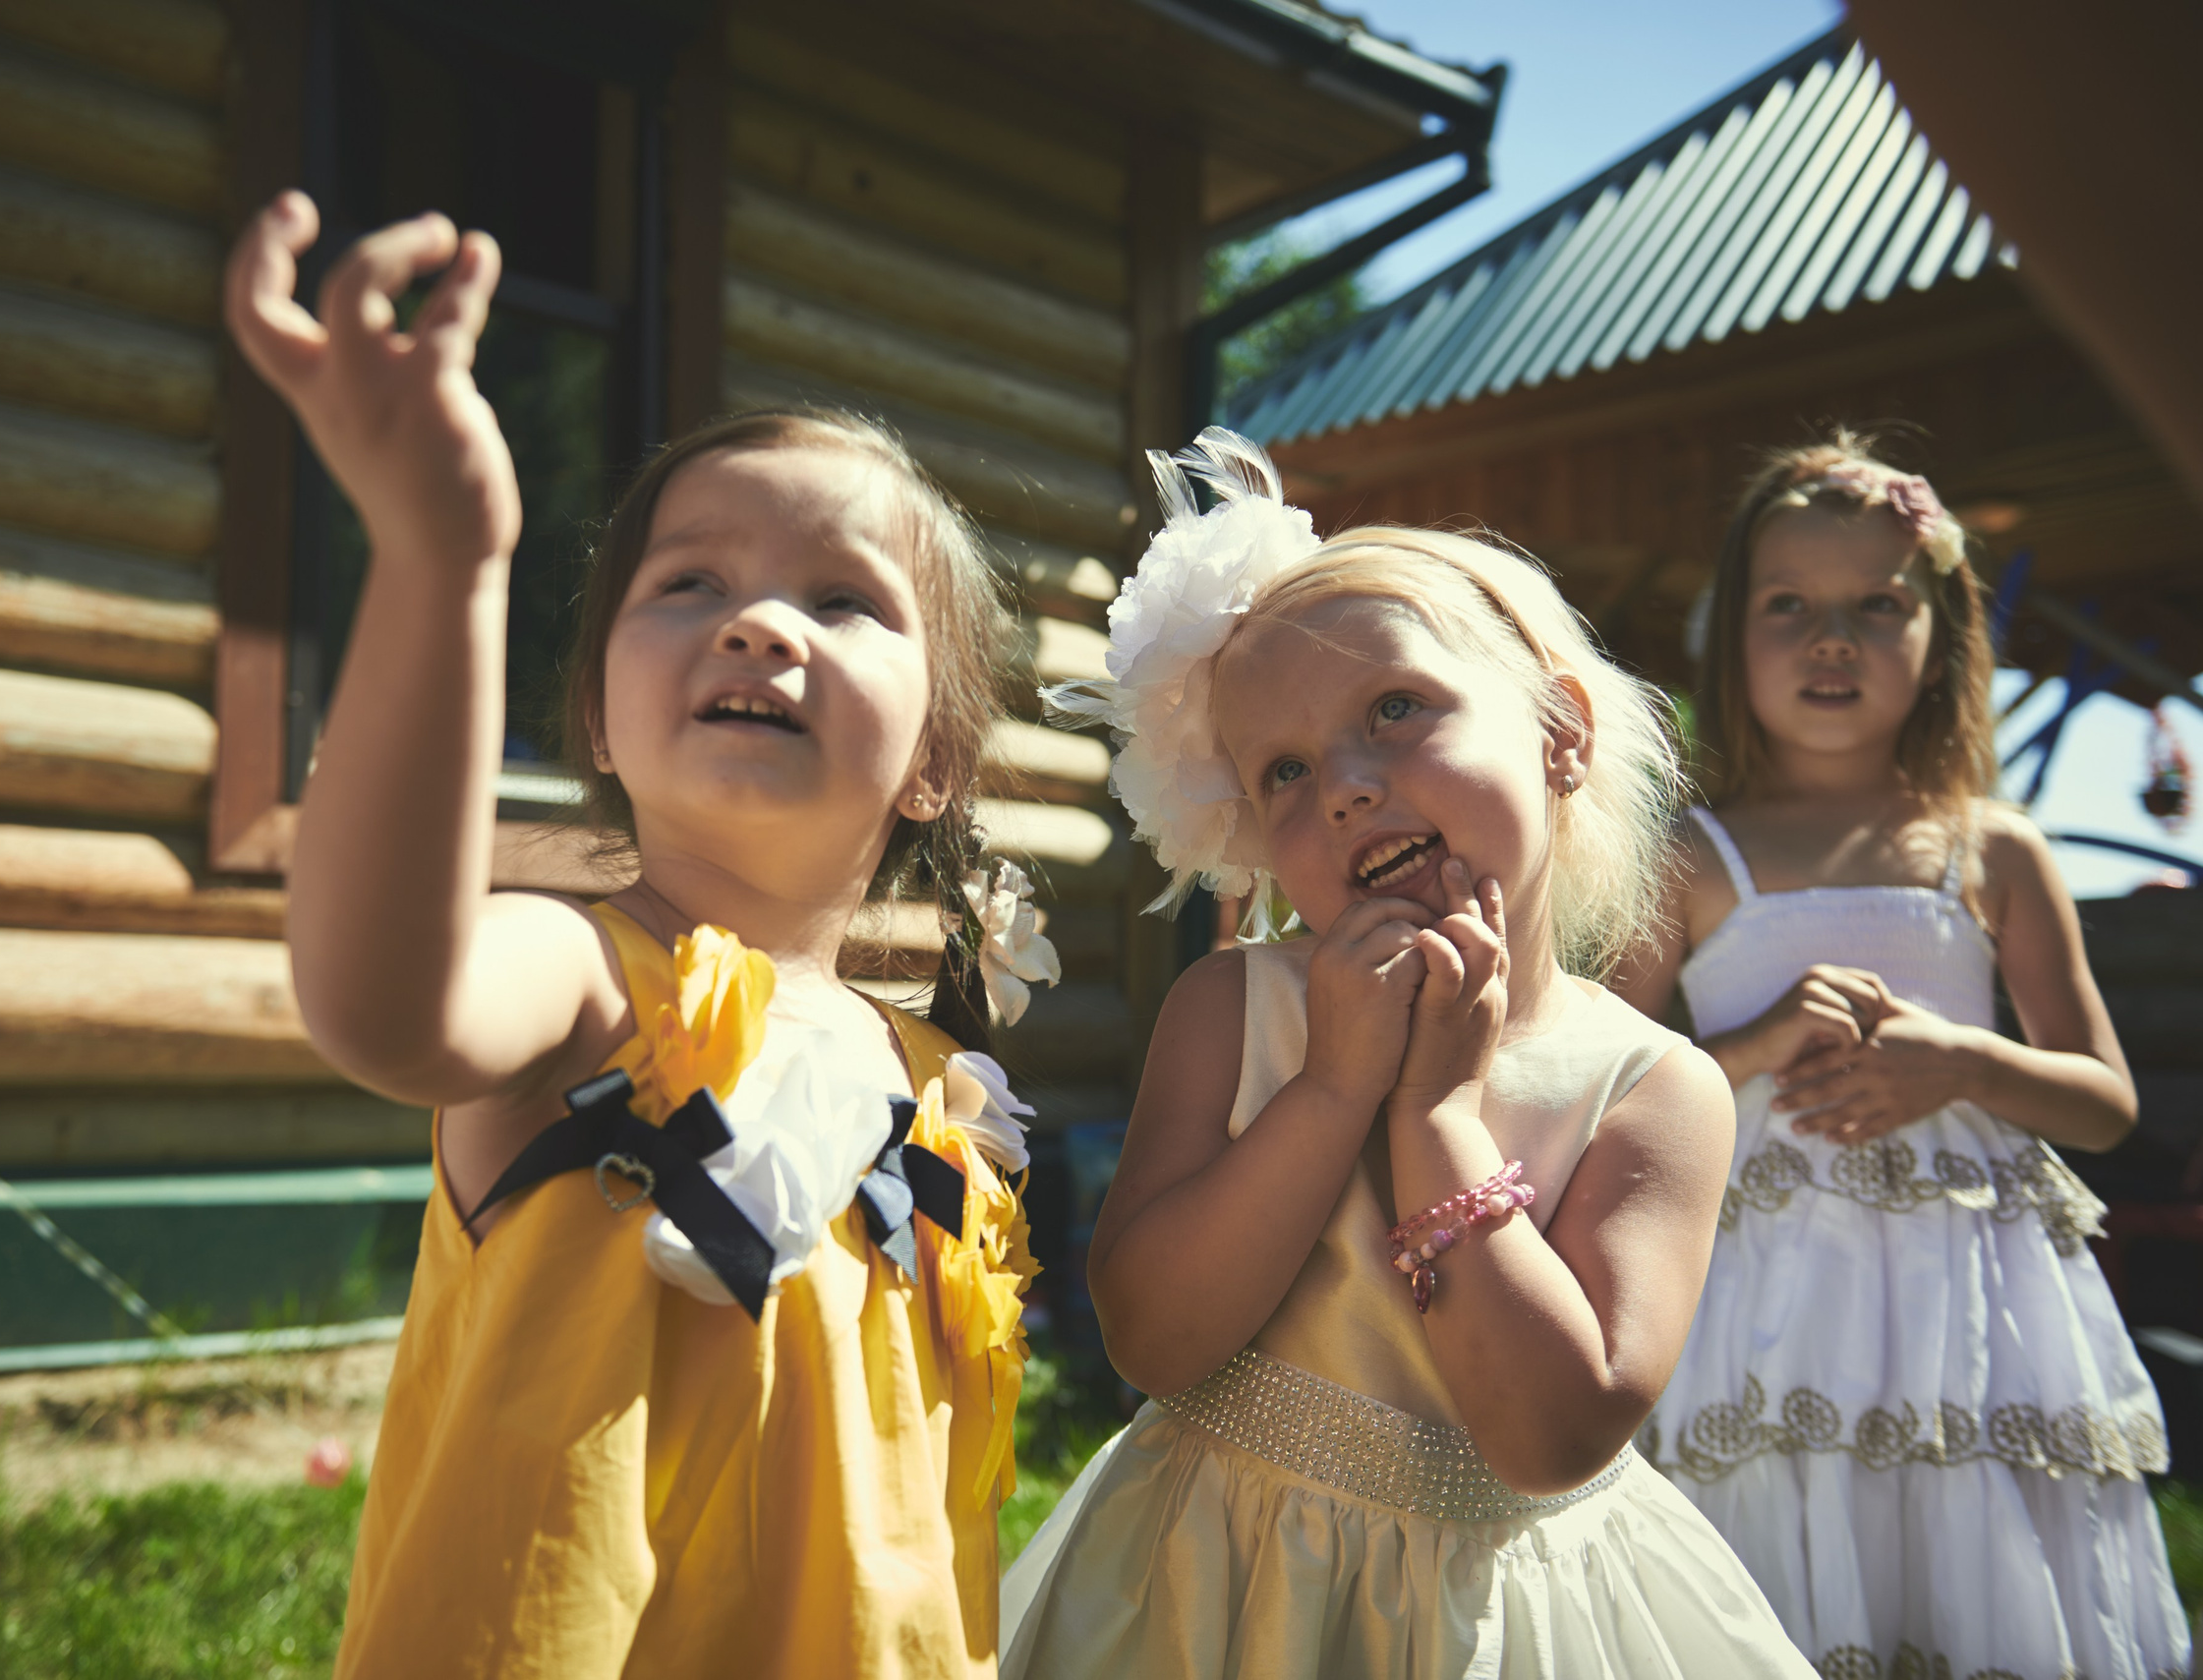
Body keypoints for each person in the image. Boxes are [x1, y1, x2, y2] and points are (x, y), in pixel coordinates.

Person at [225, 193, 1047, 1678]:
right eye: (691, 585)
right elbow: (383, 1004)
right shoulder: (585, 979)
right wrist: (437, 561)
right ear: (601, 713)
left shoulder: (940, 1083)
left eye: (843, 599)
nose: (761, 627)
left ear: (937, 760)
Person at [1000, 431, 1814, 1678]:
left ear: (1559, 733)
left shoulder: (1654, 1087)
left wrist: (1435, 1111)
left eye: (1395, 708)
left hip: (1499, 1622)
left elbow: (1549, 1434)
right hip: (1218, 1583)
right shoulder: (1233, 1010)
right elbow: (1150, 1341)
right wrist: (1333, 1086)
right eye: (1282, 769)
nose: (1343, 786)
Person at [1616, 434, 2189, 1678]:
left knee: (1969, 1565)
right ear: (1731, 633)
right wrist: (1762, 1041)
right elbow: (1605, 1101)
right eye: (1791, 606)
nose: (1833, 637)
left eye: (1878, 604)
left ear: (1941, 633)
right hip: (1759, 1319)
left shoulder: (1996, 847)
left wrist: (1968, 1062)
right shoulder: (1687, 856)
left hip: (1971, 1324)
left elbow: (2102, 1105)